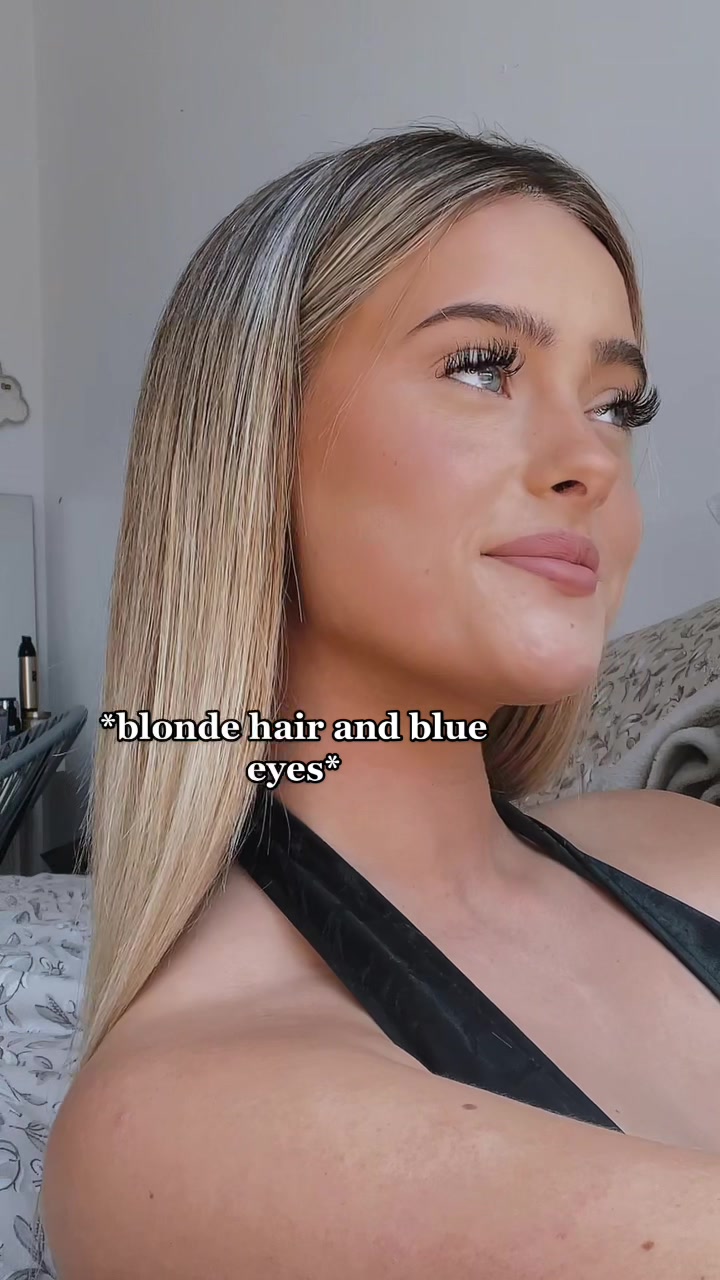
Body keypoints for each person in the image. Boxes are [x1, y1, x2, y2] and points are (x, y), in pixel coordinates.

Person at [41, 123, 720, 1278]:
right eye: (482, 366)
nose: (594, 460)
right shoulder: (175, 1122)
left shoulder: (682, 843)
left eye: (618, 404)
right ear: (255, 439)